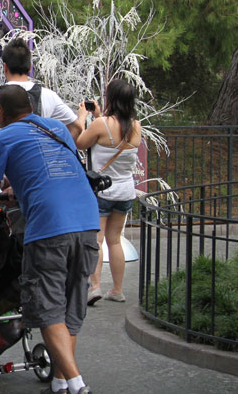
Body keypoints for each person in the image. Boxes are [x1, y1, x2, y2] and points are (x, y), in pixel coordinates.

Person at [0, 85, 98, 394]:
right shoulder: (55, 127)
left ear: (0, 113)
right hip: (88, 222)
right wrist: (20, 184)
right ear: (30, 106)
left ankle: (78, 385)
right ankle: (61, 380)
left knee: (48, 308)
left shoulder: (3, 137)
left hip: (50, 227)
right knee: (69, 306)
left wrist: (5, 184)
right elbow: (52, 169)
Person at [73, 79, 141, 305]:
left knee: (97, 240)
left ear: (110, 98)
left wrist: (83, 117)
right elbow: (114, 134)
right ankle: (118, 290)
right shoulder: (136, 126)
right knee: (114, 240)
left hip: (103, 191)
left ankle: (95, 287)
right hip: (125, 191)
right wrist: (100, 116)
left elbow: (81, 143)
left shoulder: (101, 124)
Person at [0, 38, 79, 163]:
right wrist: (55, 157)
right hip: (40, 171)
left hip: (9, 173)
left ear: (5, 67)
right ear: (30, 67)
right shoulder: (49, 95)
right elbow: (76, 127)